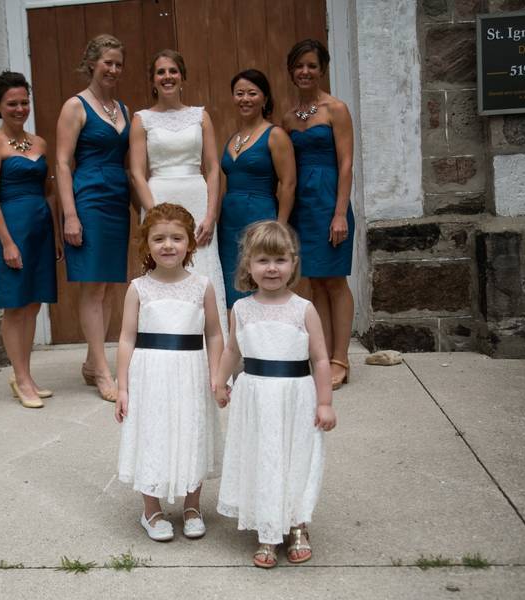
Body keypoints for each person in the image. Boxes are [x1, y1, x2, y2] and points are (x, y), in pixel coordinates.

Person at [214, 220, 336, 568]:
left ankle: (297, 525)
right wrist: (220, 383)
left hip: (296, 398)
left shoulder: (303, 309)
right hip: (255, 398)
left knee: (294, 458)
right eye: (263, 260)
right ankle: (267, 530)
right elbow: (232, 351)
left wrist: (325, 402)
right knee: (262, 458)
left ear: (293, 263)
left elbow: (320, 359)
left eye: (280, 260)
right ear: (248, 265)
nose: (271, 268)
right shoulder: (242, 309)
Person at [115, 203, 225, 542]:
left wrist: (217, 375)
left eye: (177, 238)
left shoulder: (202, 286)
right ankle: (151, 509)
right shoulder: (138, 288)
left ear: (190, 243)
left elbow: (214, 334)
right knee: (153, 433)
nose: (168, 245)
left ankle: (192, 506)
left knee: (192, 431)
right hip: (150, 375)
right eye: (159, 238)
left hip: (191, 373)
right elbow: (126, 338)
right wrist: (122, 387)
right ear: (146, 244)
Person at [129, 49, 227, 336]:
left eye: (173, 71)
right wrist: (154, 216)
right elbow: (137, 172)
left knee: (202, 266)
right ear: (153, 80)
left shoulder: (200, 116)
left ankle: (211, 344)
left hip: (196, 197)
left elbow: (212, 168)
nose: (167, 77)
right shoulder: (142, 119)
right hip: (158, 196)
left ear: (182, 77)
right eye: (161, 72)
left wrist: (210, 215)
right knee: (163, 264)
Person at [0, 71, 60, 409]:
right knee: (15, 306)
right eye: (12, 103)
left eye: (24, 102)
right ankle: (21, 377)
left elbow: (49, 191)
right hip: (12, 229)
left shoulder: (39, 143)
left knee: (34, 303)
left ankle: (25, 374)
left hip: (41, 229)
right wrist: (7, 242)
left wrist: (56, 234)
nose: (20, 109)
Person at [56, 34, 130, 402]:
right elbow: (61, 163)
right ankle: (102, 370)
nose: (113, 69)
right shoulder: (76, 106)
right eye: (107, 63)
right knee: (93, 286)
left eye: (118, 64)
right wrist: (70, 215)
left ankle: (91, 361)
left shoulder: (123, 109)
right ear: (91, 64)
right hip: (89, 199)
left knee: (111, 285)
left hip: (117, 201)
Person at [282, 39, 355, 390]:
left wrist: (340, 213)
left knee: (335, 280)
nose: (305, 71)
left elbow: (346, 163)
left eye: (311, 65)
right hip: (303, 206)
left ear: (322, 69)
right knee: (313, 281)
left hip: (329, 201)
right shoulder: (288, 118)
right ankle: (322, 357)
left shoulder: (335, 109)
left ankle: (342, 358)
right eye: (299, 66)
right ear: (291, 72)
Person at [217, 69, 296, 310]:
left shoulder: (275, 135)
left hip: (259, 216)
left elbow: (288, 183)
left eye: (252, 93)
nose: (245, 99)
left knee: (261, 280)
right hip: (229, 220)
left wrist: (280, 227)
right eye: (239, 93)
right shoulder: (233, 138)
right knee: (232, 283)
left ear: (265, 98)